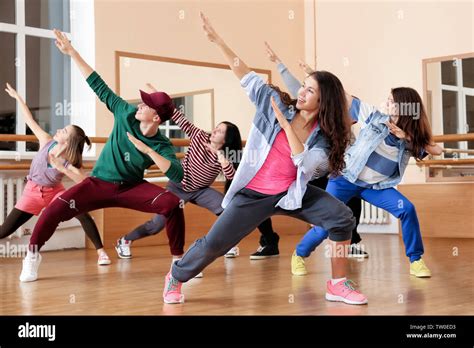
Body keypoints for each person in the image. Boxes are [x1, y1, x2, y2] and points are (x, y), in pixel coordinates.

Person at [162, 13, 368, 306]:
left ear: (324, 101)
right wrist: (218, 41)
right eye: (303, 86)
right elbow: (245, 75)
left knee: (341, 218)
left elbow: (307, 165)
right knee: (217, 244)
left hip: (291, 193)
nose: (301, 91)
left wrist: (287, 128)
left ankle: (337, 284)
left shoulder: (326, 136)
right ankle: (176, 275)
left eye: (310, 90)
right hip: (254, 194)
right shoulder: (274, 105)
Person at [18, 29, 185, 282]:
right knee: (53, 210)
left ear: (156, 117)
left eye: (146, 104)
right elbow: (98, 85)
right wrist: (72, 52)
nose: (139, 104)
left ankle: (180, 264)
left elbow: (176, 173)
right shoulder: (124, 113)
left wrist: (147, 150)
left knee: (172, 204)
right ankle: (31, 256)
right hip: (98, 184)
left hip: (131, 188)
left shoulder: (161, 143)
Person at [115, 83, 279, 263]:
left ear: (226, 140)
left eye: (219, 131)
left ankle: (228, 243)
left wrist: (219, 155)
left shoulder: (226, 155)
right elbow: (179, 117)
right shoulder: (200, 136)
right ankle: (125, 240)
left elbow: (232, 177)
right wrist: (158, 98)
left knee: (226, 209)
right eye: (216, 127)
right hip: (178, 187)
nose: (214, 130)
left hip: (201, 191)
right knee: (156, 225)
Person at [295, 85, 443, 278]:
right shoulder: (374, 116)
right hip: (345, 179)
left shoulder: (413, 136)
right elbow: (344, 96)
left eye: (392, 101)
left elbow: (436, 150)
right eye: (387, 99)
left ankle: (416, 261)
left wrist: (405, 136)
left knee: (407, 209)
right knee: (328, 222)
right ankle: (299, 255)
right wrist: (321, 81)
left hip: (374, 187)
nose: (387, 103)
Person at [263, 42, 367, 277]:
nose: (351, 114)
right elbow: (307, 90)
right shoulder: (329, 125)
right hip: (325, 174)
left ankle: (352, 242)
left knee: (351, 212)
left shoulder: (351, 133)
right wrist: (280, 64)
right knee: (326, 223)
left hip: (349, 177)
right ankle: (300, 254)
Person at [1, 83, 111, 267]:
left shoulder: (69, 161)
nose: (59, 130)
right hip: (32, 192)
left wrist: (63, 169)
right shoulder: (46, 141)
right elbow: (29, 120)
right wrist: (18, 99)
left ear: (69, 142)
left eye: (64, 131)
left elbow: (84, 181)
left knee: (82, 213)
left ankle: (101, 253)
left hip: (54, 192)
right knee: (4, 230)